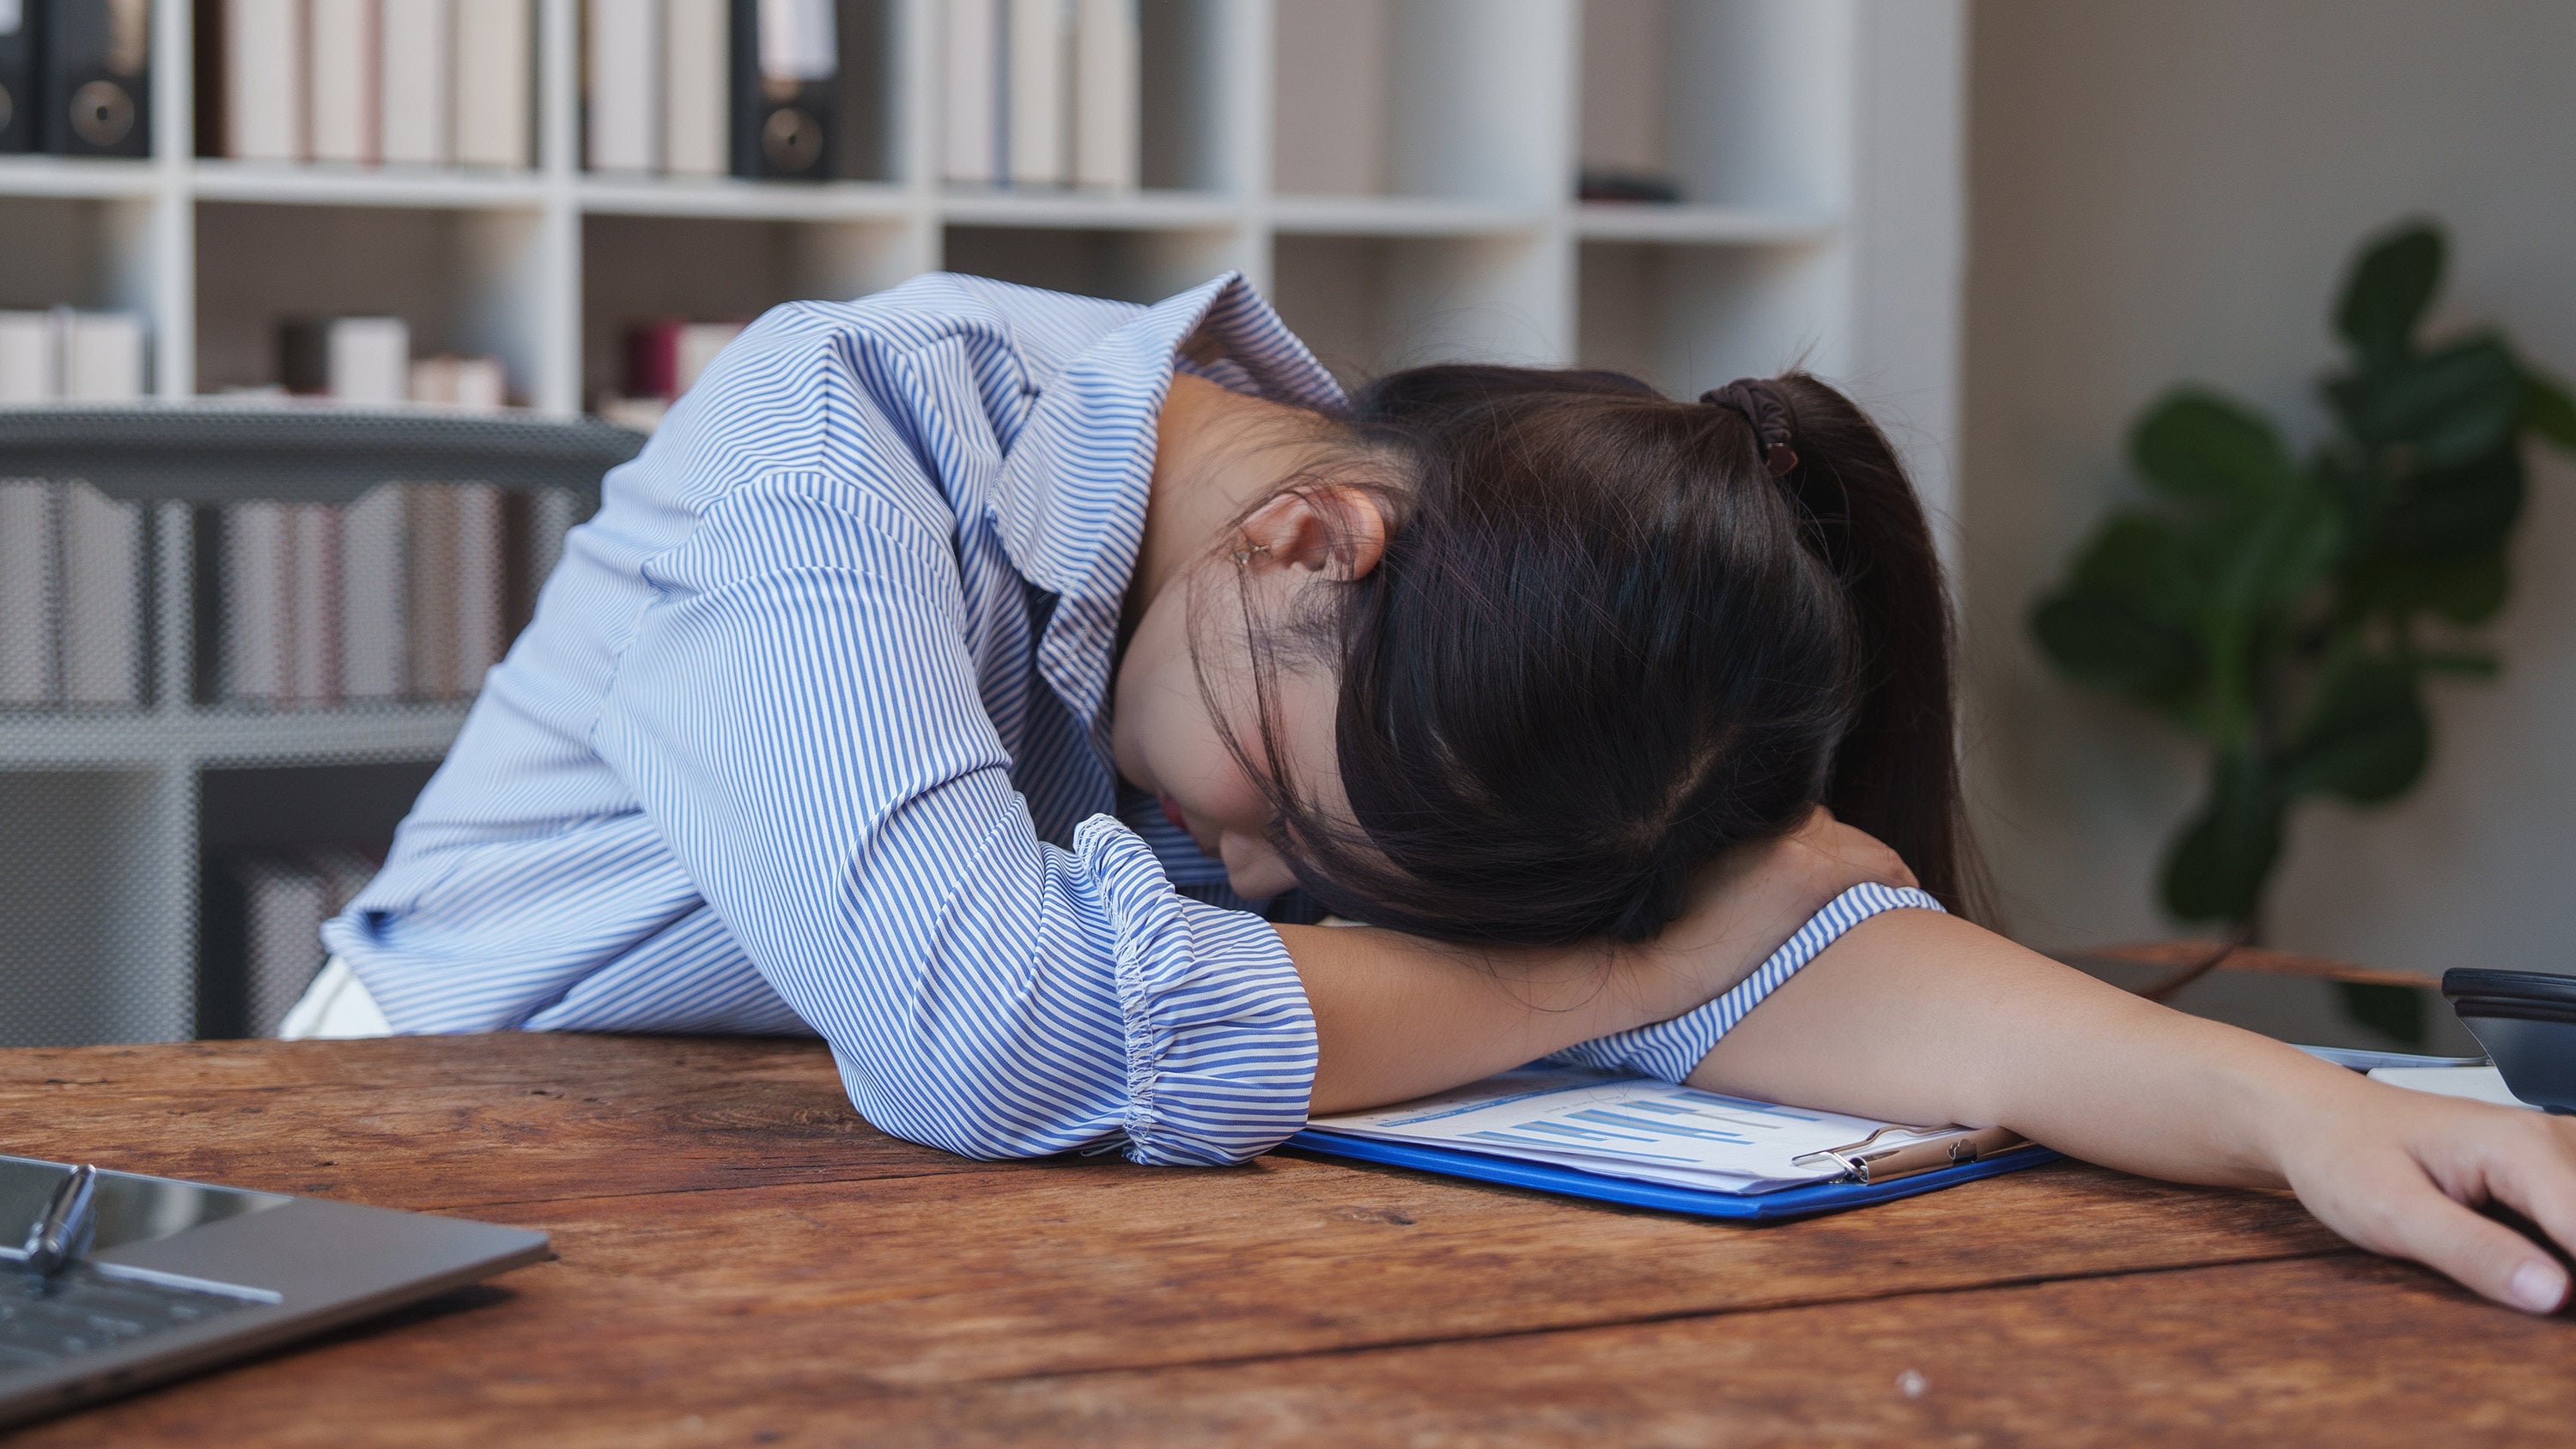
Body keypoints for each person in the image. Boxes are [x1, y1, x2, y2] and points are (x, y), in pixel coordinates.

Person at [308, 272, 2576, 1316]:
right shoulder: (844, 429)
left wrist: (2306, 1125)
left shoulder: (1363, 656)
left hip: (909, 1252)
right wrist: (1648, 950)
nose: (1264, 880)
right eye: (1294, 820)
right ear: (1312, 540)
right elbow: (990, 1024)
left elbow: (1822, 958)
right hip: (444, 1189)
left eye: (1326, 872)